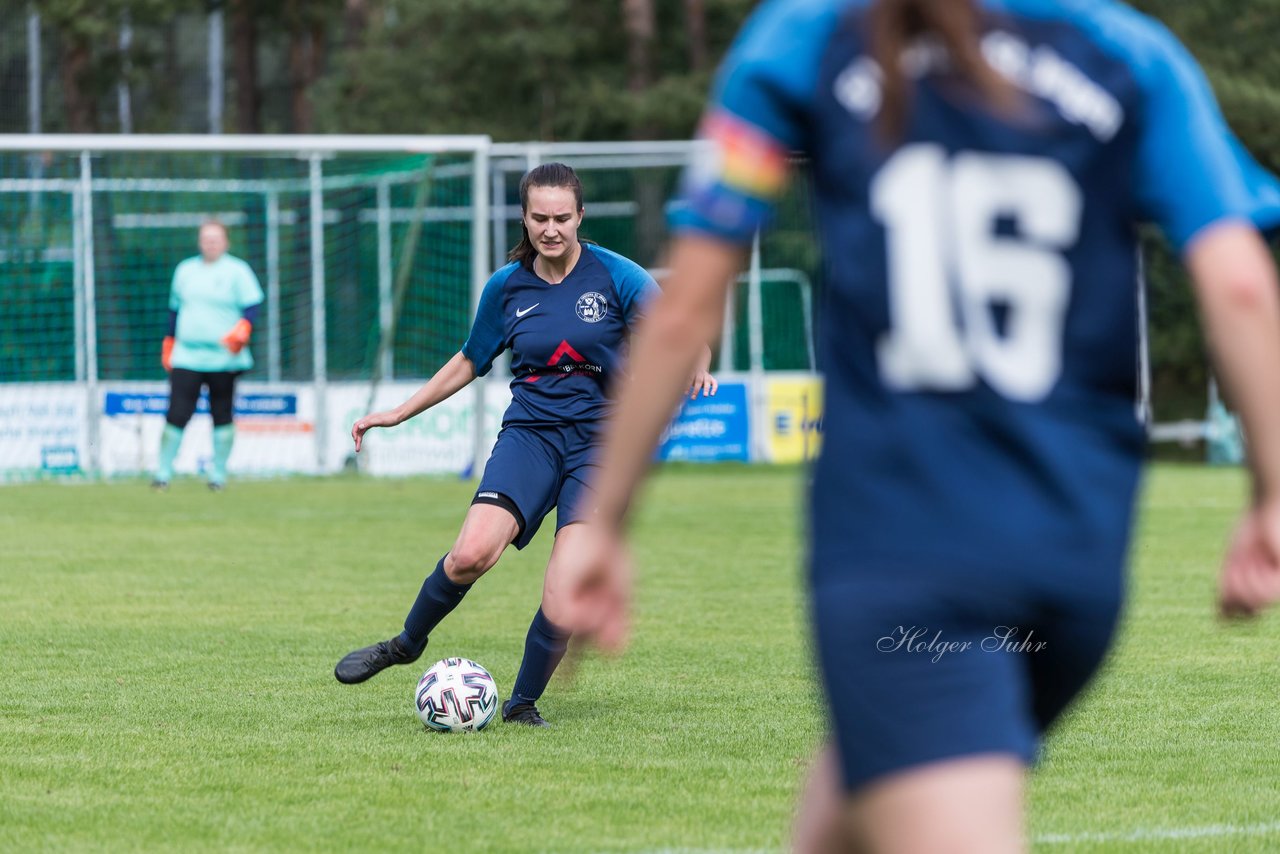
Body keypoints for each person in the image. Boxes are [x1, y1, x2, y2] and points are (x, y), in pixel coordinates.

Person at [561, 0, 1280, 850]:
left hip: (910, 561)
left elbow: (684, 313)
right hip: (1078, 561)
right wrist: (1270, 493)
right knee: (872, 782)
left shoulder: (803, 40)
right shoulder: (1130, 53)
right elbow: (1238, 283)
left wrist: (605, 521)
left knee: (918, 734)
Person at [333, 162, 716, 727]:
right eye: (540, 217)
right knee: (469, 555)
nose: (552, 228)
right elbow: (470, 359)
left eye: (563, 217)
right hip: (530, 437)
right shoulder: (507, 285)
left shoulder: (618, 276)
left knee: (563, 596)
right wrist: (397, 412)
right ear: (525, 217)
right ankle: (407, 643)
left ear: (580, 217)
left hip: (600, 450)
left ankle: (521, 704)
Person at [154, 219, 264, 492]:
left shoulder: (237, 271)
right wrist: (169, 341)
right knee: (177, 413)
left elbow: (252, 306)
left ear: (225, 242)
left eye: (215, 239)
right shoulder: (185, 270)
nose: (210, 243)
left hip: (224, 358)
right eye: (206, 238)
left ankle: (218, 475)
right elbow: (174, 310)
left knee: (222, 413)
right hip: (187, 356)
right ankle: (162, 473)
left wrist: (244, 327)